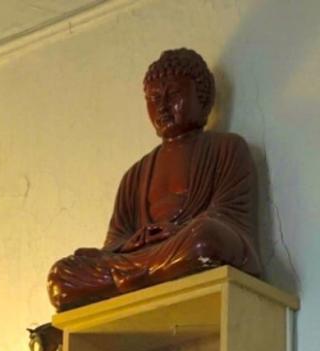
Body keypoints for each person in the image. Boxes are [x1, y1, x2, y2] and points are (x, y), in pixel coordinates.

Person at [47, 47, 260, 313]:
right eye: (154, 98)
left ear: (203, 99)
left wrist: (180, 231)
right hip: (154, 259)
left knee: (204, 240)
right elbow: (114, 243)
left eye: (173, 95)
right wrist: (136, 241)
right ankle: (149, 276)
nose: (162, 106)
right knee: (61, 276)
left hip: (189, 245)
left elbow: (228, 215)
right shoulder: (135, 174)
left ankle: (129, 282)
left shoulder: (227, 148)